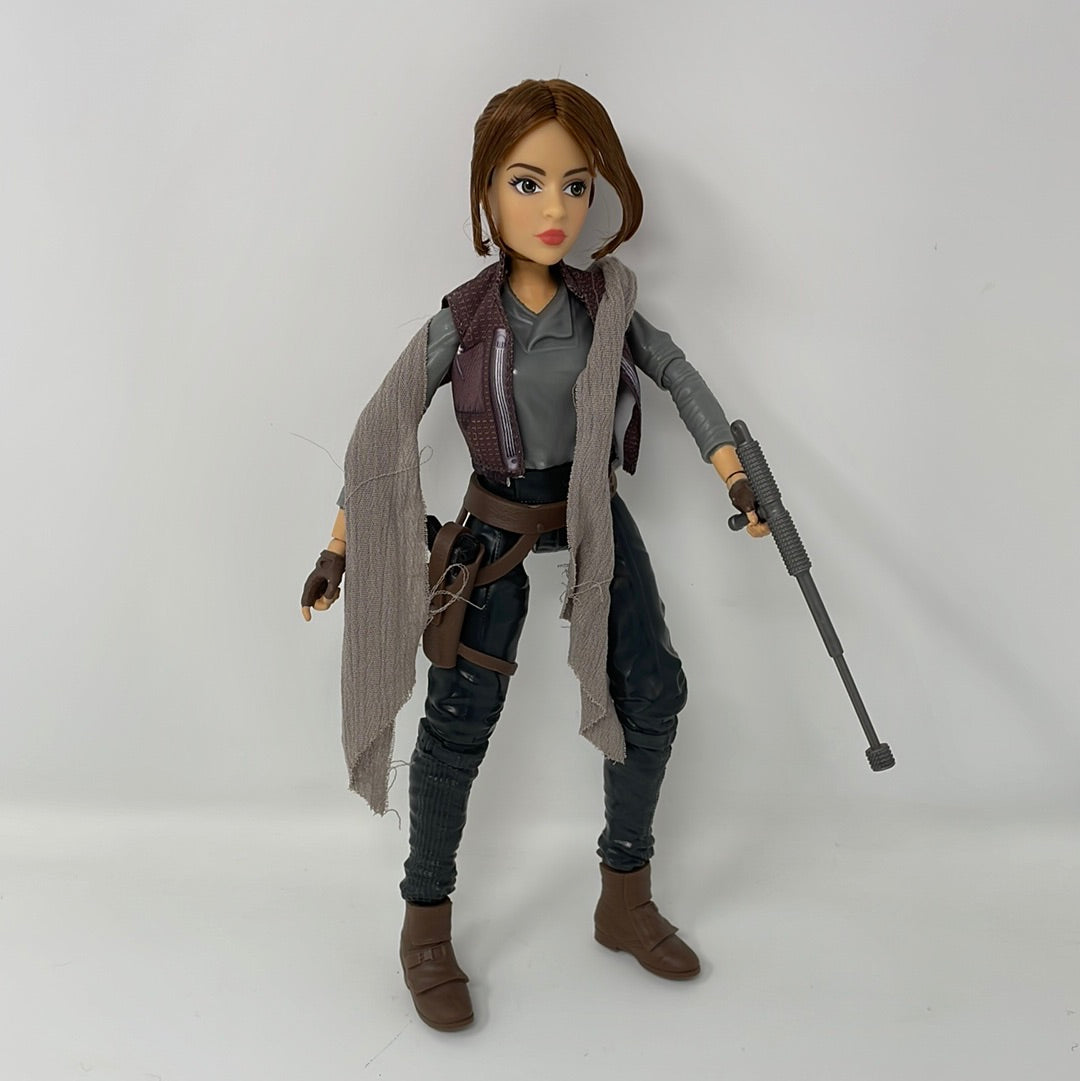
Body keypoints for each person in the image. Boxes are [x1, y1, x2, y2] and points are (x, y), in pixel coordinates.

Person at [301, 78, 767, 1032]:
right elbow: (381, 431)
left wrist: (735, 472)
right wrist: (339, 546)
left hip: (592, 514)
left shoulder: (604, 304)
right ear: (487, 193)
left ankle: (624, 895)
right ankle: (425, 924)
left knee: (653, 693)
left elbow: (676, 373)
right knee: (457, 723)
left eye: (575, 185)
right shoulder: (465, 319)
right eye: (527, 182)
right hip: (494, 531)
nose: (555, 208)